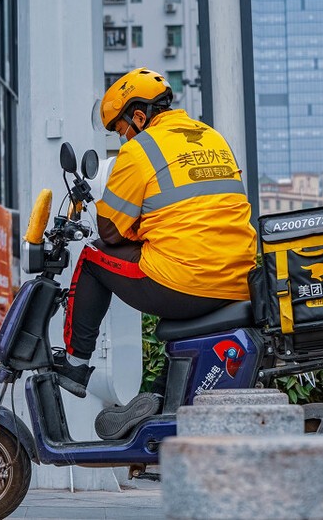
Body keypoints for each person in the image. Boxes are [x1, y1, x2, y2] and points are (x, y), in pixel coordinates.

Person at [56, 68, 257, 398]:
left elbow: (109, 231)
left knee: (93, 257)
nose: (123, 138)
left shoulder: (140, 151)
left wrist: (135, 228)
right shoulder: (213, 138)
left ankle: (76, 365)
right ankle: (163, 399)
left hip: (187, 284)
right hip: (239, 282)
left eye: (121, 129)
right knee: (164, 256)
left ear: (138, 115)